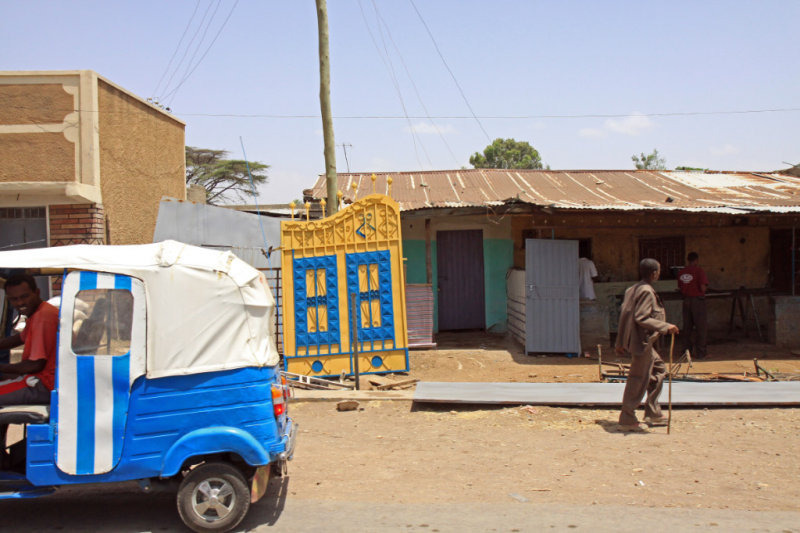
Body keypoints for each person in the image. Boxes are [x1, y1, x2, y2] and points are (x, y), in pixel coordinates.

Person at [615, 258, 679, 431]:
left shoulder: (632, 289)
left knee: (658, 369)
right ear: (654, 273)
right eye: (658, 271)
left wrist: (620, 341)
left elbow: (624, 315)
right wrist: (666, 327)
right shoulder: (646, 292)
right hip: (641, 342)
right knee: (638, 377)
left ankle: (653, 411)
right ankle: (627, 417)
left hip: (645, 343)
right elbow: (640, 317)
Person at [0, 274, 58, 406]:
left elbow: (35, 365)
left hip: (43, 385)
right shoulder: (39, 312)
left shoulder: (43, 317)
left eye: (24, 297)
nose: (20, 303)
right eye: (14, 299)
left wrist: (2, 368)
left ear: (37, 292)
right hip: (40, 380)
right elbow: (19, 339)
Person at [677, 252, 709, 359]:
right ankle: (701, 352)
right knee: (701, 327)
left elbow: (680, 287)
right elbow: (703, 288)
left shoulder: (681, 272)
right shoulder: (699, 271)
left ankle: (686, 352)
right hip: (698, 301)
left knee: (687, 328)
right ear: (696, 260)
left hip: (686, 300)